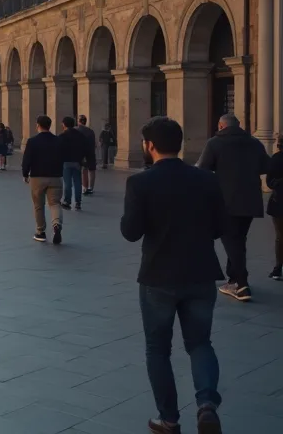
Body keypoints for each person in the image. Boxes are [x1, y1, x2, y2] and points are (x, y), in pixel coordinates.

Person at [121, 116, 225, 434]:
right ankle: (206, 405)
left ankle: (168, 419)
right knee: (200, 343)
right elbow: (219, 228)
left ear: (150, 145)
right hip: (200, 273)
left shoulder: (140, 183)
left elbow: (130, 232)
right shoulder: (206, 180)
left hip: (158, 275)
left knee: (158, 349)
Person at [196, 114, 271, 302]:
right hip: (250, 200)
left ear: (221, 126)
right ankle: (233, 279)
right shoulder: (255, 143)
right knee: (238, 239)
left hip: (226, 200)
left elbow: (203, 168)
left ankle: (241, 283)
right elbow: (265, 166)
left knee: (231, 241)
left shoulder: (215, 143)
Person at [22, 115, 65, 244]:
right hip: (55, 176)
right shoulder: (58, 141)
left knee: (38, 205)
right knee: (55, 203)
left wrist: (25, 174)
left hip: (37, 176)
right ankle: (56, 224)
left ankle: (40, 232)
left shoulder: (32, 141)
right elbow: (62, 157)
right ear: (49, 126)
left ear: (38, 125)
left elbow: (27, 159)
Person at [59, 116, 91, 210]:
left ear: (64, 124)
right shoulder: (80, 135)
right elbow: (85, 148)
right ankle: (78, 202)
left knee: (67, 183)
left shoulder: (62, 136)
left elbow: (58, 149)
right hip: (77, 161)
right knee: (77, 182)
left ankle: (67, 201)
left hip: (66, 161)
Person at [267, 135, 283, 282]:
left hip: (279, 202)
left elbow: (269, 182)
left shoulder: (276, 159)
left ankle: (278, 268)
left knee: (280, 236)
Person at [77, 115, 97, 195]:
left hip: (81, 152)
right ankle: (91, 188)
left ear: (79, 121)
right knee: (92, 170)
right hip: (91, 152)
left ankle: (84, 187)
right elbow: (94, 143)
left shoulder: (77, 130)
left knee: (83, 170)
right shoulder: (91, 131)